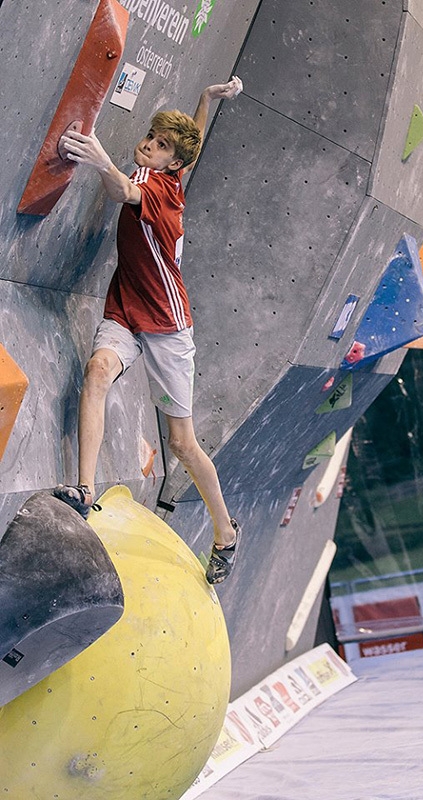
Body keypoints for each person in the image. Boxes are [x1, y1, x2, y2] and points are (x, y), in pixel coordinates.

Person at [53, 76, 243, 585]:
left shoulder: (158, 192)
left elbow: (120, 188)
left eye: (160, 146)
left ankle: (225, 533)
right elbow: (189, 150)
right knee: (97, 372)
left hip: (166, 325)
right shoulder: (172, 170)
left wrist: (98, 159)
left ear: (169, 164)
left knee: (182, 444)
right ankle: (83, 490)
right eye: (152, 137)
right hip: (124, 308)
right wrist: (205, 100)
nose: (149, 145)